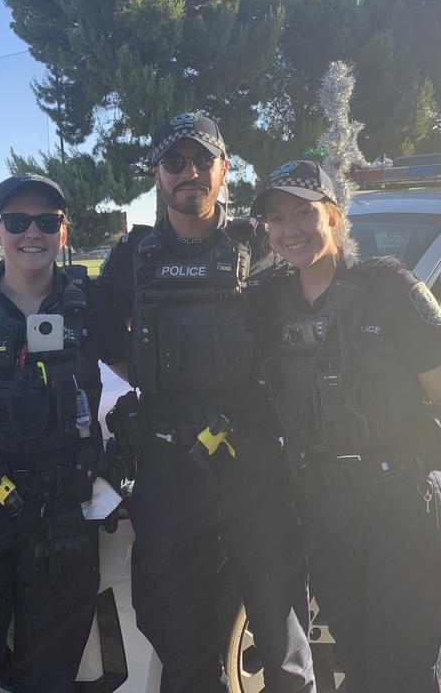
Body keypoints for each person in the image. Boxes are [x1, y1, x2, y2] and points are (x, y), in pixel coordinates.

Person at [252, 159, 441, 693]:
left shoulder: (391, 289)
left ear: (333, 216)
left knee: (403, 670)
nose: (290, 230)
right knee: (357, 666)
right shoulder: (268, 301)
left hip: (400, 502)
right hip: (326, 508)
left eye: (304, 213)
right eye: (276, 219)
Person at [99, 113, 315, 692]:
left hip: (253, 466)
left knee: (282, 631)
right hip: (169, 468)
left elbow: (316, 312)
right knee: (174, 627)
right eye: (175, 163)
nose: (189, 173)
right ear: (157, 175)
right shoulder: (132, 257)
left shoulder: (260, 245)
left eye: (202, 161)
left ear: (224, 171)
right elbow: (95, 334)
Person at [0, 173, 124, 693]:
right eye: (17, 221)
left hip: (63, 514)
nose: (31, 233)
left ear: (64, 231)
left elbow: (142, 376)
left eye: (46, 221)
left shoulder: (92, 303)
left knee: (49, 677)